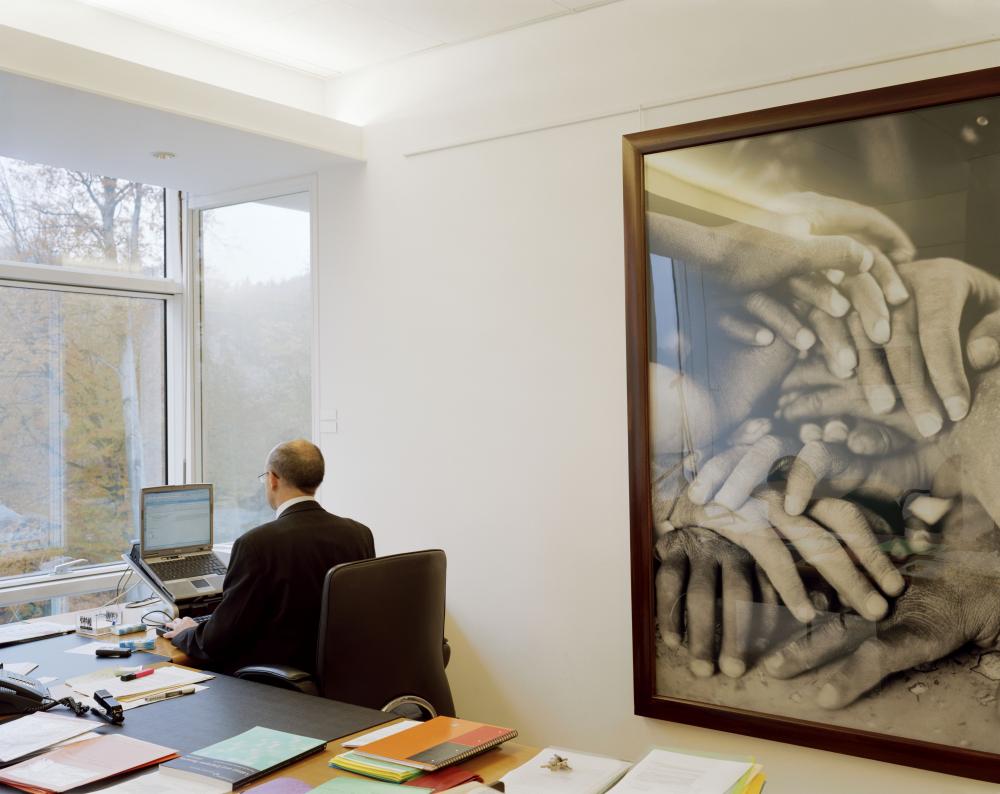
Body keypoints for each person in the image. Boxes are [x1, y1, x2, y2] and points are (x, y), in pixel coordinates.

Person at [163, 439, 375, 674]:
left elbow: (217, 641)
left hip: (274, 685)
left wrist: (188, 632)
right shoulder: (359, 534)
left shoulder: (256, 544)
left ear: (273, 479)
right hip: (342, 678)